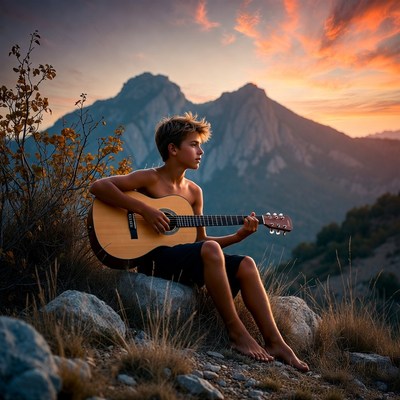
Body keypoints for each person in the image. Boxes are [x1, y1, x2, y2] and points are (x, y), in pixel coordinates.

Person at [89, 112, 309, 372]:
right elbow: (99, 186)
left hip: (184, 261)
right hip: (153, 259)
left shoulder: (194, 192)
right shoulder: (150, 178)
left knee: (247, 264)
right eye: (193, 144)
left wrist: (239, 236)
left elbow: (201, 241)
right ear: (173, 149)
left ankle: (277, 343)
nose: (201, 151)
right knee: (211, 250)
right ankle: (236, 332)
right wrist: (143, 210)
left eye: (200, 145)